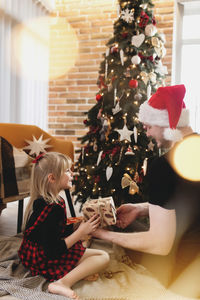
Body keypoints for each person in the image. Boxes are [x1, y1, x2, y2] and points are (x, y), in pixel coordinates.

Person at [92, 85, 200, 293]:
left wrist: (104, 234)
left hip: (187, 271)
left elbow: (160, 244)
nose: (147, 132)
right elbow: (190, 201)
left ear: (165, 123)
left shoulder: (163, 166)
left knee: (123, 235)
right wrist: (140, 209)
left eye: (149, 126)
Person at [18, 152, 109, 299]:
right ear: (52, 178)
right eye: (67, 170)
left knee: (85, 245)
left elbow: (57, 228)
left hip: (33, 253)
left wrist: (78, 221)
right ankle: (62, 283)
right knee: (103, 256)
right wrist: (80, 232)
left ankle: (75, 271)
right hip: (43, 259)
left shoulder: (50, 200)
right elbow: (53, 251)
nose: (72, 173)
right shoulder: (52, 209)